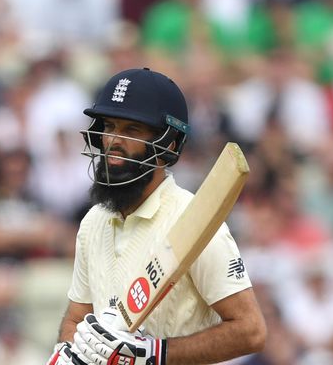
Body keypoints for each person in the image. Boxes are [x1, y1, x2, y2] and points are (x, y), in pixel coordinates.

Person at [47, 68, 267, 365]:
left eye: (131, 130)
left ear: (168, 145)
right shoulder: (93, 222)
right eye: (109, 126)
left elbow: (250, 331)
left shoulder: (195, 221)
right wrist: (71, 350)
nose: (113, 140)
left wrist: (154, 354)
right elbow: (76, 319)